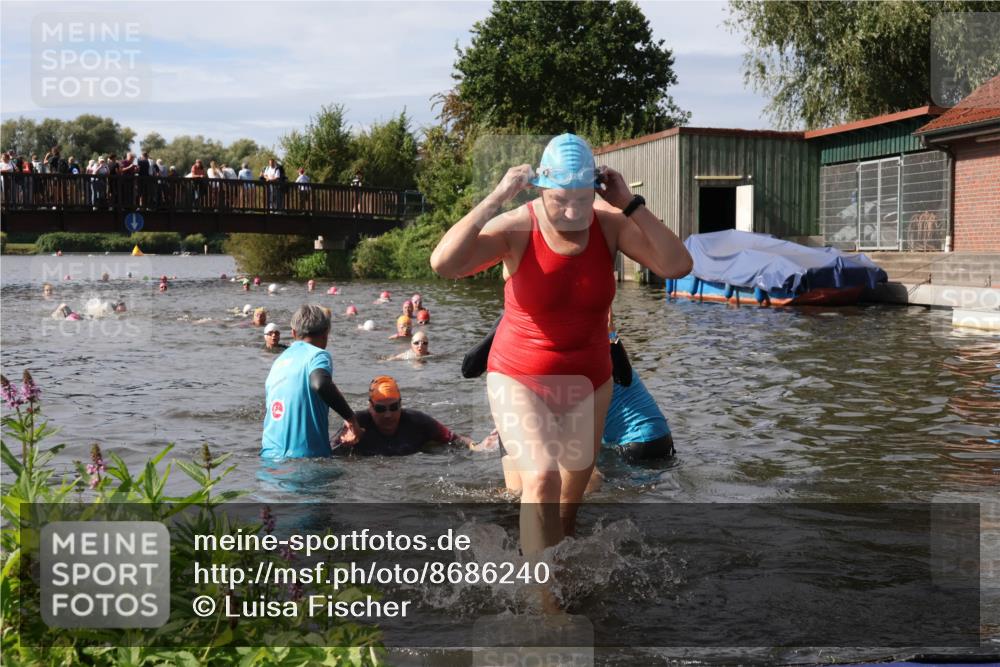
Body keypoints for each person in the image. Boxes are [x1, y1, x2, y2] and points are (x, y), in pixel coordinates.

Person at [430, 133, 692, 558]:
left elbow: (677, 264)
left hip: (588, 382)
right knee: (541, 481)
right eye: (560, 200)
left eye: (583, 198)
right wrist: (497, 196)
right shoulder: (517, 226)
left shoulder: (609, 224)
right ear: (541, 188)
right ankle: (545, 611)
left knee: (568, 512)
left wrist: (630, 203)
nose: (572, 212)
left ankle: (556, 577)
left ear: (597, 189)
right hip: (518, 376)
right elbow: (445, 263)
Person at [261, 305, 362, 458]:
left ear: (293, 333)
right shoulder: (318, 355)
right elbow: (320, 383)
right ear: (326, 332)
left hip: (269, 459)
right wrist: (351, 419)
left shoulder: (278, 362)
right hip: (305, 460)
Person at [332, 375, 477, 456]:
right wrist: (344, 446)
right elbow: (327, 454)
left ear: (401, 404)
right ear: (370, 406)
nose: (388, 414)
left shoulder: (417, 422)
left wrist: (477, 446)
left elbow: (456, 439)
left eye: (394, 407)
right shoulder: (356, 424)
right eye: (380, 409)